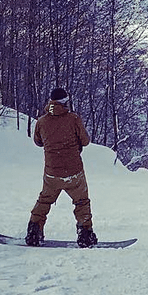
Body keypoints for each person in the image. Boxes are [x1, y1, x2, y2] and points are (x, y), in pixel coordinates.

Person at [26, 87, 98, 248]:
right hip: (74, 172)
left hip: (52, 173)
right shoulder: (73, 119)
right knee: (81, 202)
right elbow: (85, 141)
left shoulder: (42, 121)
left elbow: (38, 142)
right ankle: (85, 234)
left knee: (44, 201)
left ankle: (33, 231)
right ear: (65, 102)